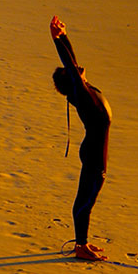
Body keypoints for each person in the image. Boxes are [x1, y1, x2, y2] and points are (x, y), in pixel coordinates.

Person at [49, 16, 112, 261]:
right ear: (73, 80)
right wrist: (56, 40)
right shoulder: (83, 95)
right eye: (73, 72)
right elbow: (69, 63)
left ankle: (82, 243)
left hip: (94, 149)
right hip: (95, 153)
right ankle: (80, 246)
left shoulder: (84, 90)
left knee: (89, 196)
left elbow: (71, 62)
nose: (78, 68)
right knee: (87, 197)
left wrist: (64, 35)